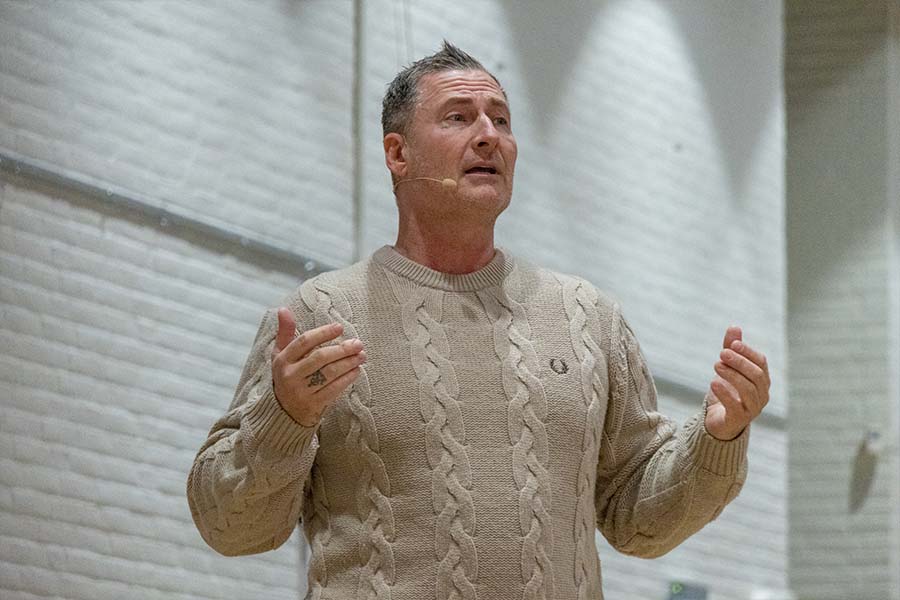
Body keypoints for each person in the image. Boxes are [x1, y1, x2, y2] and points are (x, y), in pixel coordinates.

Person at [187, 41, 770, 600]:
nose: (489, 135)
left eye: (502, 120)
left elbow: (639, 521)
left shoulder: (588, 317)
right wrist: (284, 417)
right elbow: (232, 528)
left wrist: (716, 439)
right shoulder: (320, 315)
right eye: (459, 117)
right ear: (397, 154)